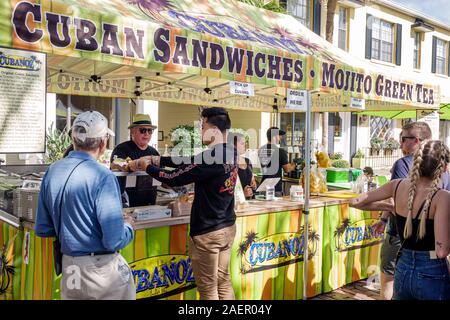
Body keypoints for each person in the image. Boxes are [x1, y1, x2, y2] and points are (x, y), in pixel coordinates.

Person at [128, 107, 237, 300]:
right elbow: (190, 161)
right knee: (223, 282)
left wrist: (148, 167)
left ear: (212, 128)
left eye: (202, 126)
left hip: (208, 231)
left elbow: (173, 178)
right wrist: (158, 158)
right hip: (227, 226)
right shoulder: (230, 151)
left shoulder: (210, 156)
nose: (201, 131)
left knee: (208, 288)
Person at [35, 111, 136, 300]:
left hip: (69, 266)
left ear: (74, 140)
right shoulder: (103, 176)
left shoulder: (53, 170)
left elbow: (43, 228)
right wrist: (129, 226)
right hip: (100, 269)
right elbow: (113, 240)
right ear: (102, 143)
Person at [350, 140, 450, 300]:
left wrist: (392, 207)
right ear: (444, 167)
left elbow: (355, 202)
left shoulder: (396, 186)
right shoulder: (443, 197)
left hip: (402, 265)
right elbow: (441, 251)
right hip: (432, 270)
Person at [110, 113, 160, 207]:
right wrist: (132, 165)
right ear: (132, 131)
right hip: (126, 204)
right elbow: (115, 163)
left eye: (150, 131)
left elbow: (162, 175)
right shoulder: (122, 149)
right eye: (143, 130)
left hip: (150, 203)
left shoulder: (154, 152)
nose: (146, 134)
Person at [258, 127, 295, 195]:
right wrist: (294, 165)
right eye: (279, 135)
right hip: (275, 188)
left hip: (263, 186)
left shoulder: (261, 150)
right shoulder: (280, 152)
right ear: (274, 137)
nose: (280, 137)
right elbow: (287, 169)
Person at [232, 133, 257, 199]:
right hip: (236, 204)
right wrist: (242, 194)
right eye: (242, 143)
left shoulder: (248, 161)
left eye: (245, 143)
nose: (245, 146)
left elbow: (252, 180)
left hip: (249, 203)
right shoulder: (229, 163)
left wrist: (253, 185)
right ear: (233, 145)